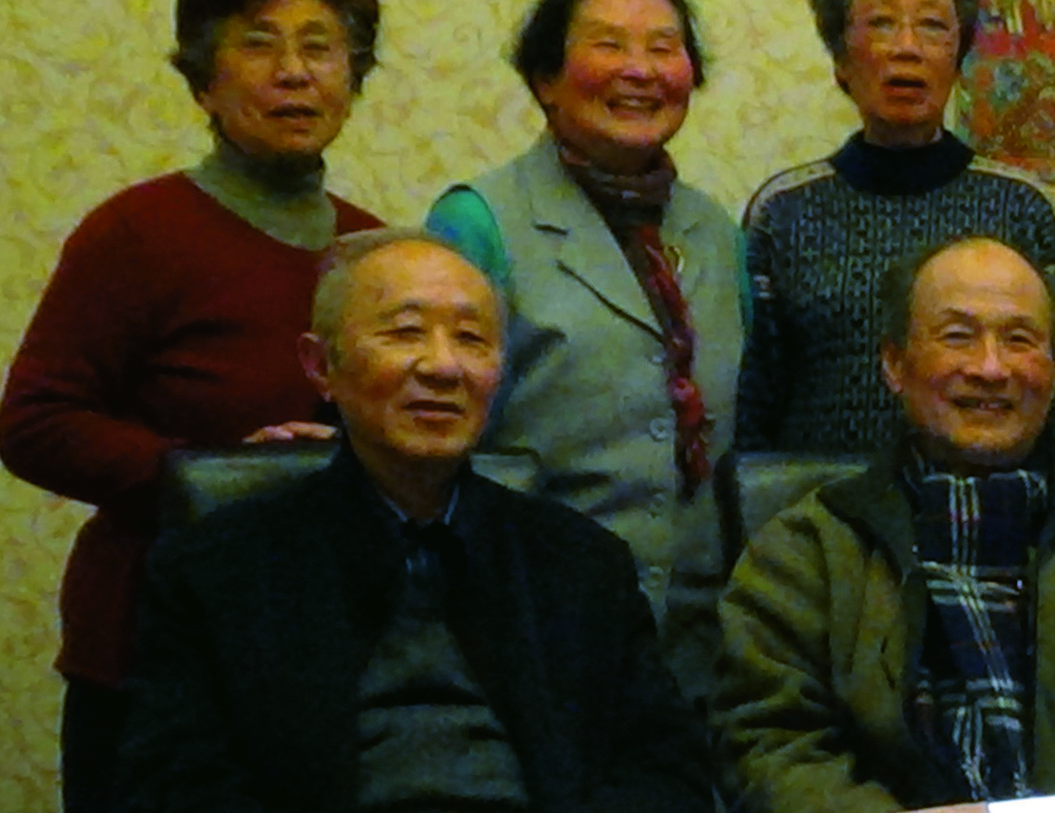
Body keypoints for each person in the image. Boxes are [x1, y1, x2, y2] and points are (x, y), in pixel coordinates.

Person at [115, 230, 711, 811]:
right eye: (405, 332)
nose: (443, 367)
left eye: (471, 339)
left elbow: (665, 767)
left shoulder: (582, 564)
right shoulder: (216, 569)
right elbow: (174, 783)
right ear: (320, 366)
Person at [0, 0, 385, 812]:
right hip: (149, 644)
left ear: (352, 80)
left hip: (315, 646)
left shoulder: (372, 248)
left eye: (320, 47)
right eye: (259, 44)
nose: (294, 72)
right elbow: (34, 422)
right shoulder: (136, 232)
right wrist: (215, 478)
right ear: (205, 82)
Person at [717, 236, 1055, 812]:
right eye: (958, 336)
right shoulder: (801, 554)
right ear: (894, 364)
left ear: (1054, 370)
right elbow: (768, 752)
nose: (990, 368)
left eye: (1019, 340)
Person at [426, 0, 742, 706]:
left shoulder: (716, 233)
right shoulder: (479, 221)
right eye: (609, 44)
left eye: (664, 47)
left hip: (695, 655)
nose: (640, 70)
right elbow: (434, 441)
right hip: (528, 631)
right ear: (545, 78)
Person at [739, 0, 1055, 457]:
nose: (907, 48)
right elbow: (753, 393)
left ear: (958, 59)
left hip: (997, 495)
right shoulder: (784, 211)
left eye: (932, 26)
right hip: (821, 500)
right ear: (841, 58)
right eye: (881, 24)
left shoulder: (1023, 206)